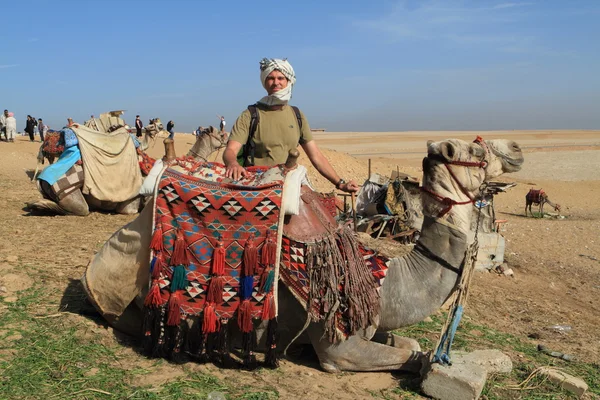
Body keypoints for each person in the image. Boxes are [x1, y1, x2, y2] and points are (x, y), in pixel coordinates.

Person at [223, 58, 359, 193]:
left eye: (280, 78)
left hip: (290, 183)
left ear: (288, 81)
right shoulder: (250, 115)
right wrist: (232, 163)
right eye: (270, 78)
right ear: (264, 82)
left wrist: (340, 184)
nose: (276, 82)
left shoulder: (297, 115)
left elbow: (316, 156)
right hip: (258, 185)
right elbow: (230, 151)